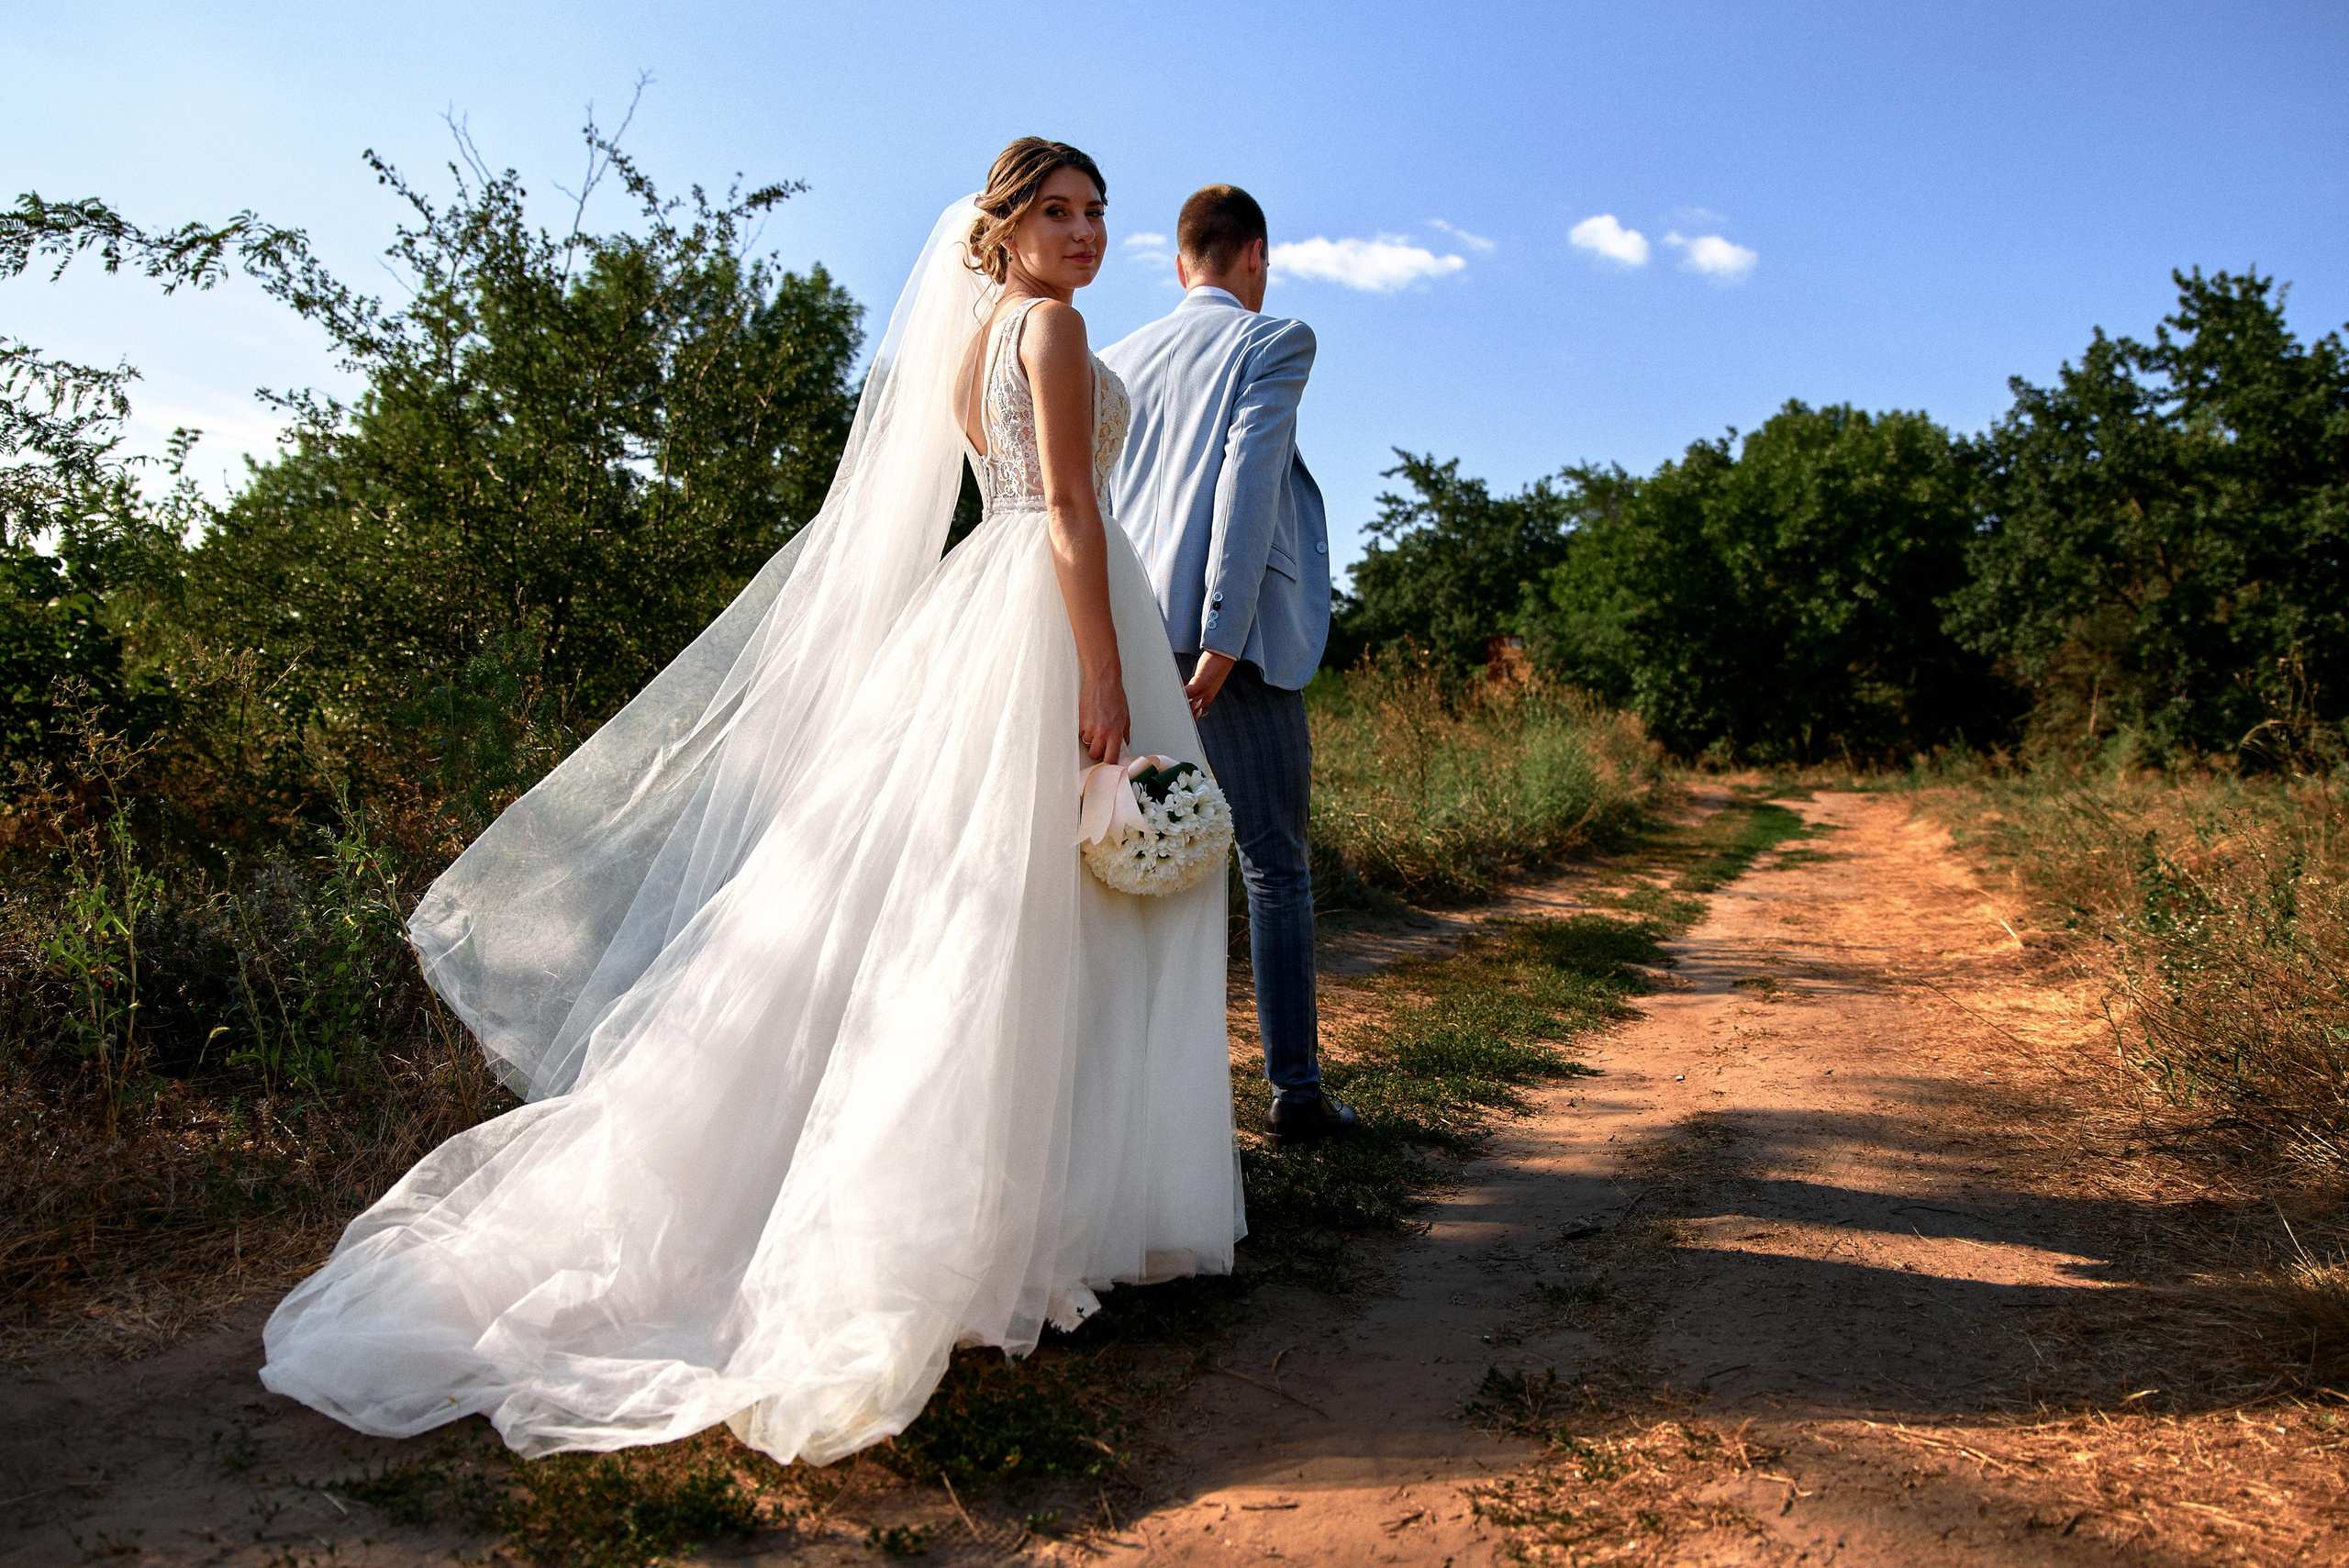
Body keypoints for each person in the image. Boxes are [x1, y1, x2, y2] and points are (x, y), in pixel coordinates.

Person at [260, 139, 1241, 1467]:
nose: (1084, 234)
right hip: (1052, 619)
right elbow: (1069, 506)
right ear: (1002, 233)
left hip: (981, 616)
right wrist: (1107, 682)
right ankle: (1013, 1219)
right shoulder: (1053, 334)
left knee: (968, 919)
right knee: (1021, 918)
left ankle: (1015, 1213)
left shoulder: (971, 348)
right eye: (1056, 214)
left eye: (1096, 214)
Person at [1100, 185, 1355, 1148]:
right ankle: (1294, 1092)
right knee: (1273, 866)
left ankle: (1141, 1113)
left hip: (1124, 632)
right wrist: (1222, 634)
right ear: (1255, 255)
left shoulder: (1117, 357)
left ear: (1178, 264)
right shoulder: (1273, 338)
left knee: (1127, 862)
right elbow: (1249, 488)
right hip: (1228, 644)